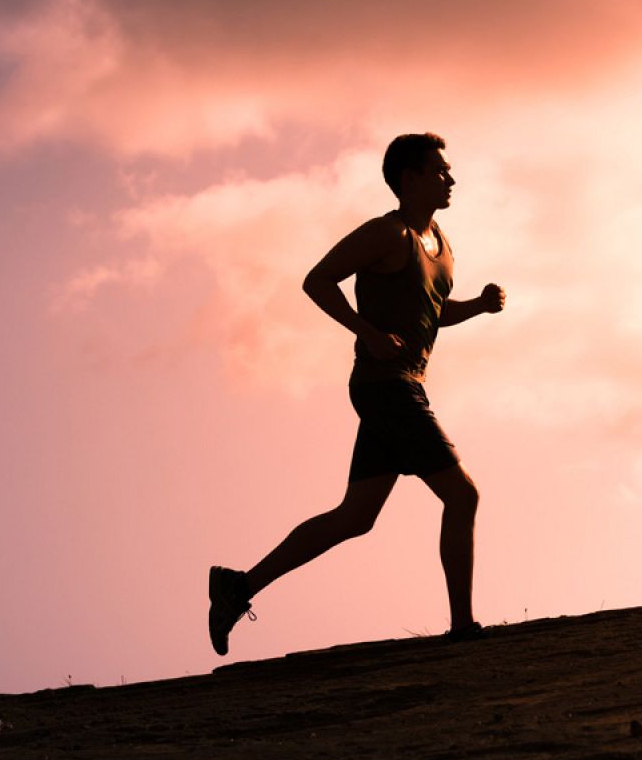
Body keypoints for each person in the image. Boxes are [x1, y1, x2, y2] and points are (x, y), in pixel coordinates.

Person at [207, 132, 505, 655]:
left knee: (356, 517)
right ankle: (462, 628)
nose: (451, 178)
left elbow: (435, 312)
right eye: (440, 170)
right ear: (407, 180)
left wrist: (476, 306)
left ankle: (239, 586)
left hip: (399, 386)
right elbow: (317, 280)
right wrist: (366, 331)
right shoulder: (385, 234)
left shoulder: (441, 243)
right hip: (386, 387)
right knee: (462, 495)